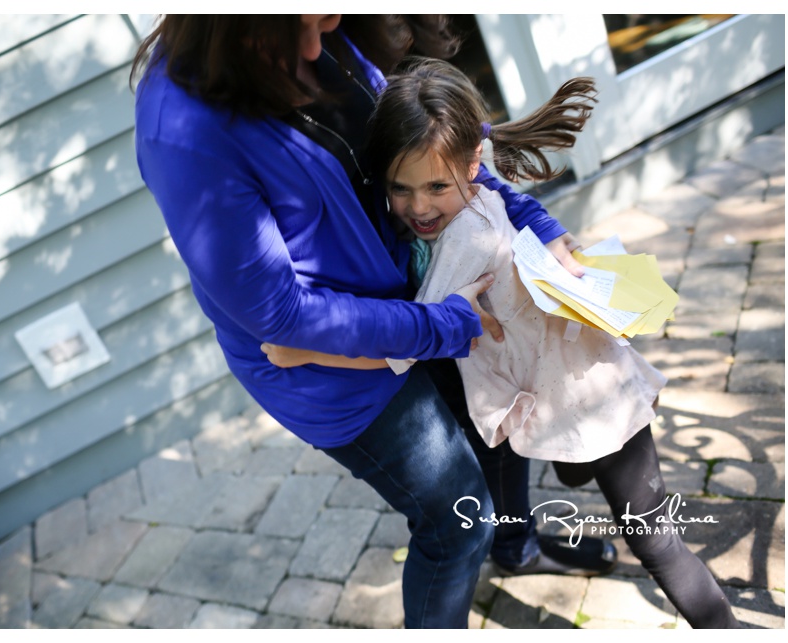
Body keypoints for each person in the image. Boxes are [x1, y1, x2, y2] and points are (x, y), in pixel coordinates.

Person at [132, 15, 612, 628]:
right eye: (304, 23)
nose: (321, 42)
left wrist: (538, 227)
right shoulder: (183, 133)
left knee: (499, 420)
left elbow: (437, 150)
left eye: (332, 15)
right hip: (331, 363)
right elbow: (281, 319)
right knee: (456, 518)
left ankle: (515, 549)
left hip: (430, 298)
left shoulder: (323, 30)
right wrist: (439, 326)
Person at [263, 57, 740, 628]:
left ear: (473, 165)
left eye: (436, 186)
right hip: (534, 382)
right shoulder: (459, 201)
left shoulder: (466, 238)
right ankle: (539, 512)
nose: (418, 207)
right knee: (515, 452)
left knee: (657, 539)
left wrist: (304, 348)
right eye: (400, 188)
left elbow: (405, 341)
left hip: (593, 398)